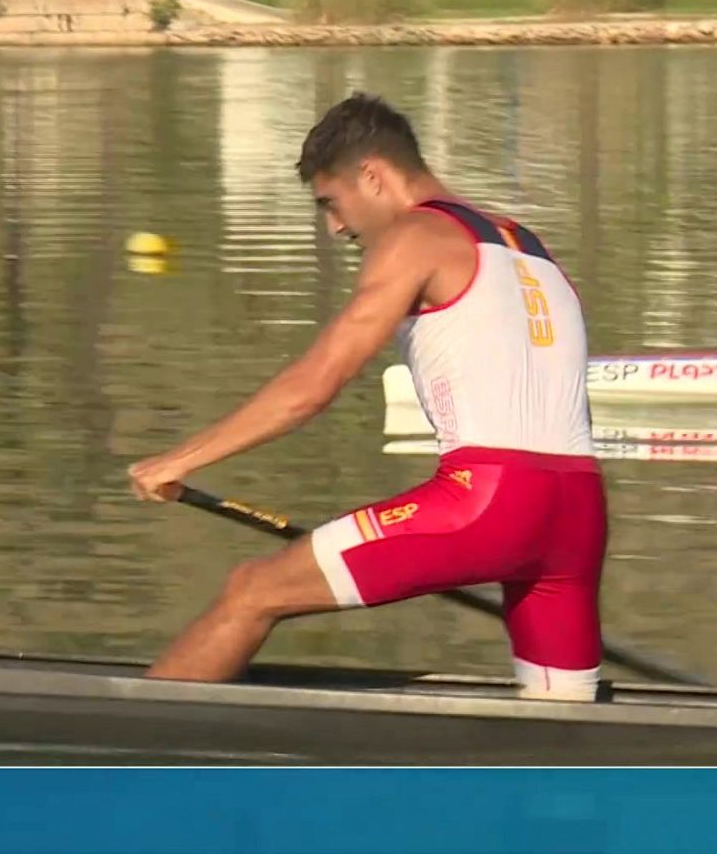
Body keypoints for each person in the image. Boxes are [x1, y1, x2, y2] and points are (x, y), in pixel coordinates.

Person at [127, 93, 605, 702]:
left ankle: (126, 752)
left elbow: (312, 387)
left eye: (331, 202)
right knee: (563, 725)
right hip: (579, 511)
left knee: (253, 591)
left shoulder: (416, 236)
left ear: (373, 175)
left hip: (485, 504)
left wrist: (179, 460)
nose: (335, 227)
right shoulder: (528, 244)